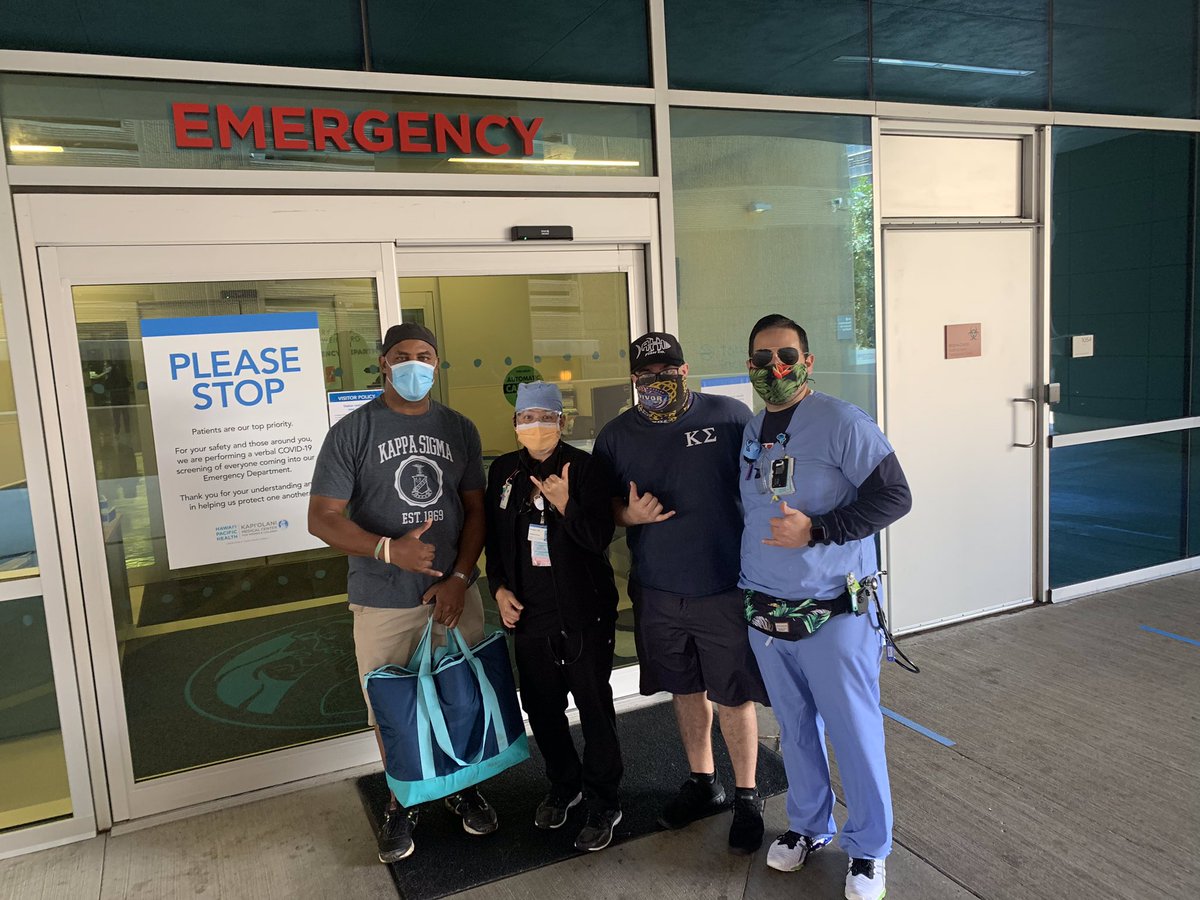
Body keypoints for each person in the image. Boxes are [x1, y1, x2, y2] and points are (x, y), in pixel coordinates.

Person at [737, 314, 912, 900]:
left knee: (854, 732)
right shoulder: (753, 430)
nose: (775, 368)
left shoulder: (842, 422)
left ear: (806, 362)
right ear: (750, 366)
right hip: (768, 611)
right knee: (793, 729)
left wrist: (819, 530)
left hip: (833, 611)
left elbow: (895, 496)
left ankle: (868, 849)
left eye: (786, 356)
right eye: (763, 359)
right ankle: (810, 826)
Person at [308, 322, 495, 864]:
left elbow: (476, 510)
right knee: (394, 709)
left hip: (453, 594)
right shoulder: (353, 431)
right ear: (384, 364)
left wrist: (459, 577)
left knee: (461, 697)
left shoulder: (458, 428)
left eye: (426, 355)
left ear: (437, 363)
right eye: (403, 355)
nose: (416, 364)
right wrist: (388, 550)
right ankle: (402, 801)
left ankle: (463, 787)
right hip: (384, 597)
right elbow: (321, 518)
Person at [593, 331, 770, 854]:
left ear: (685, 370)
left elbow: (763, 484)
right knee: (685, 689)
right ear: (633, 379)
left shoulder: (729, 417)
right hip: (658, 589)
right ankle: (703, 782)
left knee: (733, 694)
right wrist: (630, 515)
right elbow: (602, 508)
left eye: (667, 371)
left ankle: (747, 795)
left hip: (724, 585)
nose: (658, 380)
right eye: (647, 374)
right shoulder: (616, 436)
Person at [484, 381, 624, 852]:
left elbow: (598, 538)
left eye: (545, 417)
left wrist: (565, 503)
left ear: (561, 422)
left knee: (594, 707)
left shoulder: (585, 468)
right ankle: (565, 784)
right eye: (527, 418)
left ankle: (604, 800)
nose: (536, 426)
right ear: (515, 424)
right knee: (542, 709)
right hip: (529, 616)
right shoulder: (504, 472)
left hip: (584, 614)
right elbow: (495, 541)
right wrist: (498, 588)